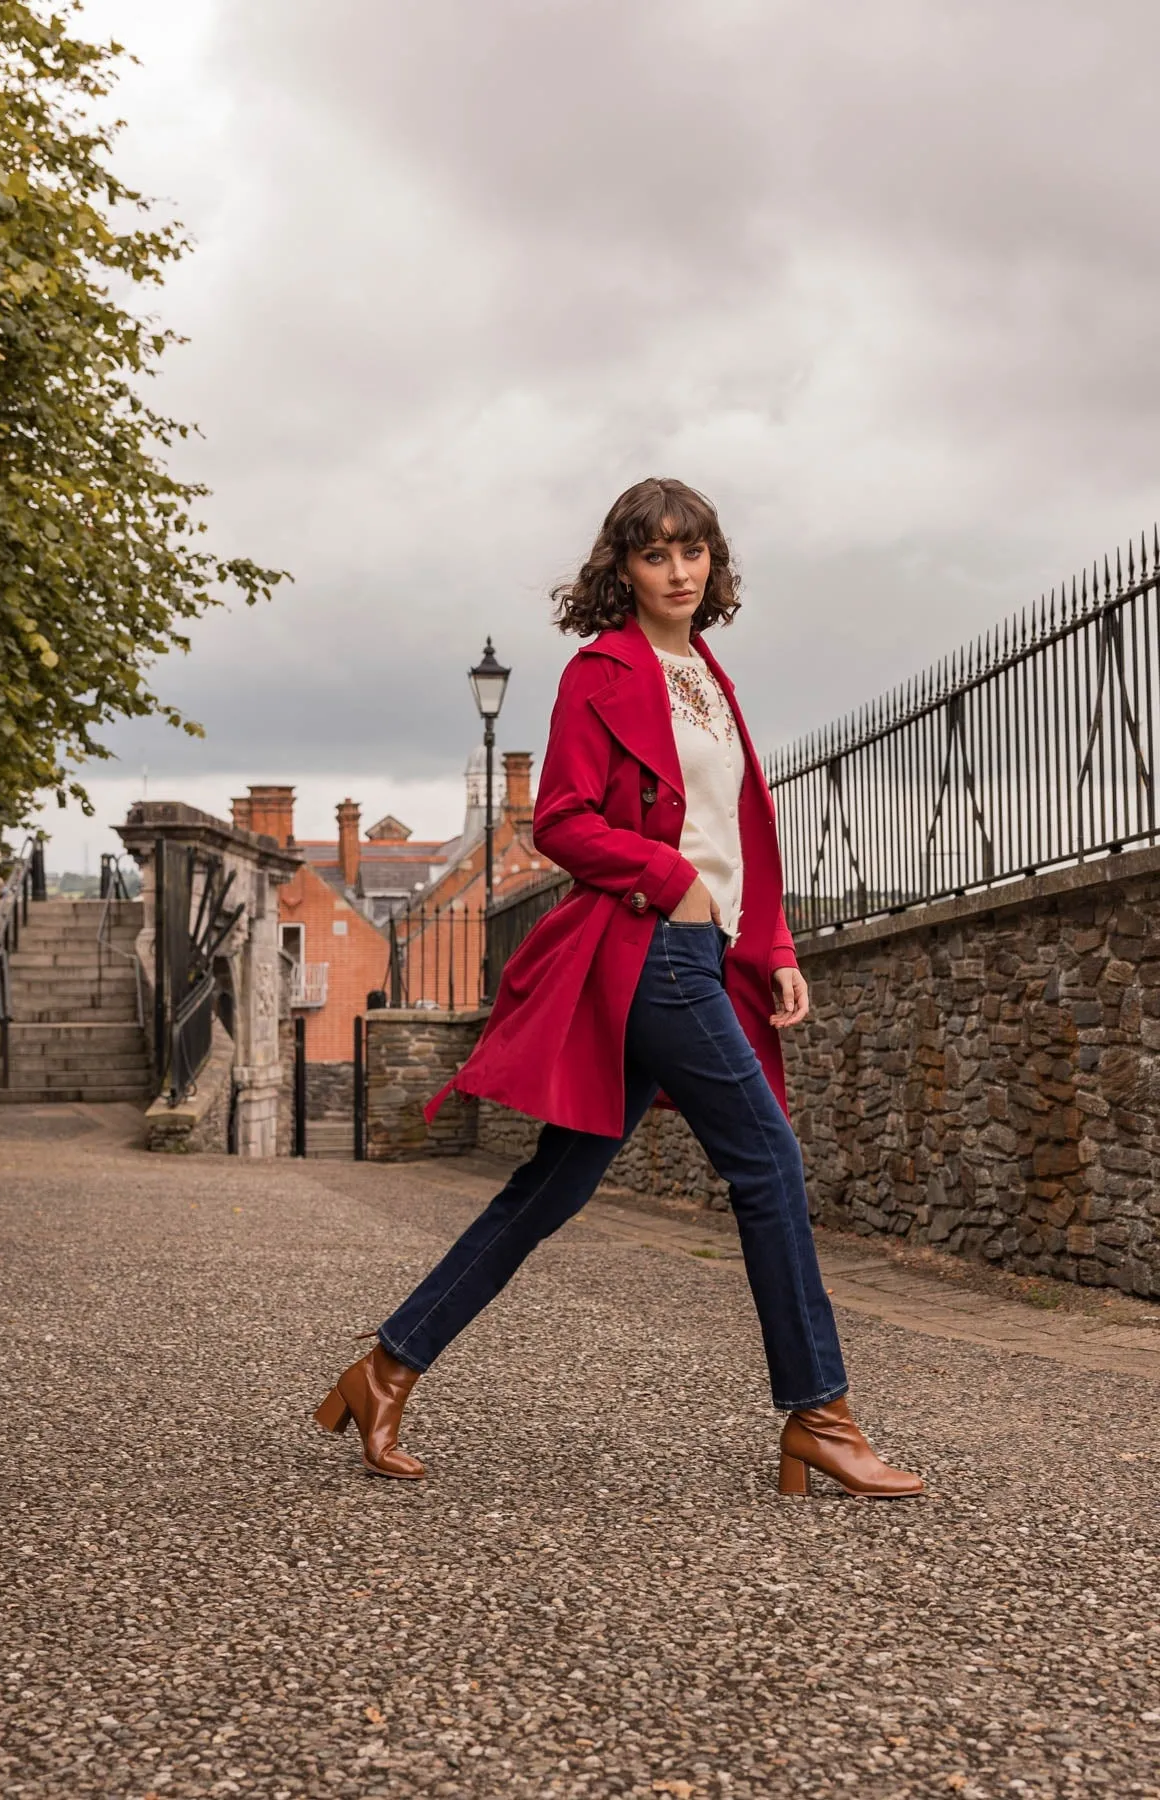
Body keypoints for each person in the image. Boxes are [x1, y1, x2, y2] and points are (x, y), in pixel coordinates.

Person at [315, 478, 923, 1501]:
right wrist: (668, 879)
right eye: (656, 556)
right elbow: (561, 820)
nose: (680, 572)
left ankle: (385, 1369)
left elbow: (735, 834)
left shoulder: (707, 676)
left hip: (704, 957)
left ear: (714, 565)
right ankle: (819, 1415)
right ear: (622, 569)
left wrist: (771, 943)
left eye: (694, 553)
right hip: (649, 955)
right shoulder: (599, 672)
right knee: (768, 1159)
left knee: (554, 1185)